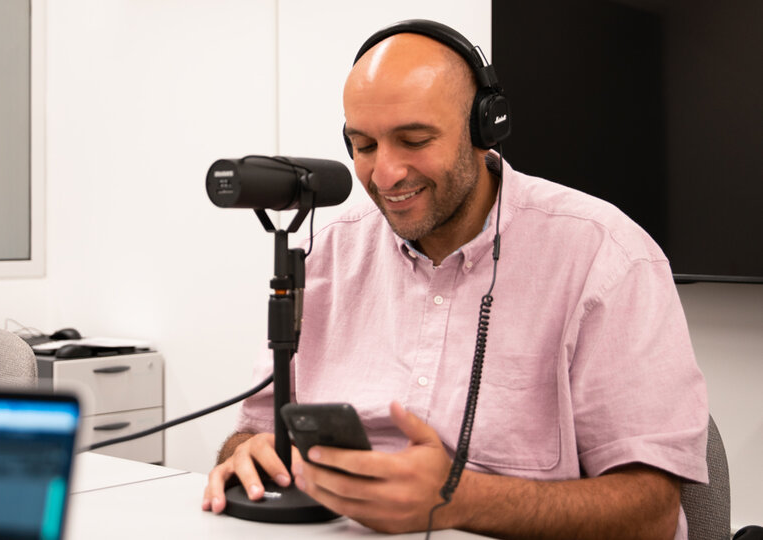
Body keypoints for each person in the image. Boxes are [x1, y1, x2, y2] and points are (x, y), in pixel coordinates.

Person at [201, 20, 708, 539]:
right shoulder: (325, 252)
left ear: (484, 129)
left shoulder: (606, 256)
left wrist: (458, 501)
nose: (386, 174)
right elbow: (255, 432)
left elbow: (651, 514)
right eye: (365, 145)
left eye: (414, 139)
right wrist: (248, 454)